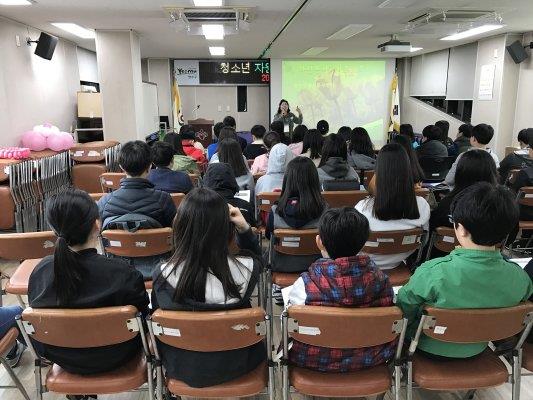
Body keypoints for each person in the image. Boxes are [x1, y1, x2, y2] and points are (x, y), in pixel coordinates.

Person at [398, 183, 533, 359]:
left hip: (427, 348)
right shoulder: (520, 278)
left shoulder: (432, 272)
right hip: (479, 347)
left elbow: (403, 310)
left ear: (461, 229)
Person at [151, 188, 265, 388]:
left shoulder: (162, 273)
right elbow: (260, 260)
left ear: (180, 227)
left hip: (182, 364)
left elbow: (157, 315)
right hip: (239, 361)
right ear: (227, 229)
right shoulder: (247, 268)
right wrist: (245, 229)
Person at [28, 189, 149, 374]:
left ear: (53, 229)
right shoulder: (123, 273)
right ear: (97, 225)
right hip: (119, 354)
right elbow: (142, 319)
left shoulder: (39, 273)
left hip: (62, 357)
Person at [287, 208, 396, 372]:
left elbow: (291, 325)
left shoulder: (304, 284)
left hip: (313, 359)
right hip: (370, 358)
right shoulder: (383, 282)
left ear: (319, 242)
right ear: (364, 241)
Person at [355, 143, 430, 270]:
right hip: (401, 260)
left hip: (366, 265)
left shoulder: (362, 208)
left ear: (379, 172)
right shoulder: (422, 205)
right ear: (407, 169)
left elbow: (354, 244)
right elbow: (424, 240)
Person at [266, 157, 327, 272]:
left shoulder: (275, 211)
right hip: (316, 268)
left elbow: (270, 237)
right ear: (314, 181)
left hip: (282, 266)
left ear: (287, 181)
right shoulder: (325, 211)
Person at [98, 141, 176, 230]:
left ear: (121, 167)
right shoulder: (164, 199)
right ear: (150, 166)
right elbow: (173, 231)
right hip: (155, 244)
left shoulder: (104, 202)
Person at [430, 149, 498, 231]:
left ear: (460, 173)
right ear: (492, 173)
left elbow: (432, 228)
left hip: (449, 243)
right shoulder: (503, 205)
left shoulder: (447, 205)